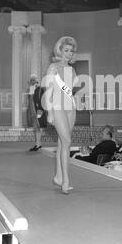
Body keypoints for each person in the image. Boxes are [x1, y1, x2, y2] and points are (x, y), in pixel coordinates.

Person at [42, 36, 78, 194]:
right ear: (60, 50)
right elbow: (48, 91)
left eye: (71, 51)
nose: (69, 53)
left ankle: (58, 176)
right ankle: (65, 181)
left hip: (71, 107)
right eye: (66, 50)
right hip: (57, 107)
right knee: (67, 141)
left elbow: (71, 90)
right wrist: (49, 112)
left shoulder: (72, 69)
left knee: (62, 143)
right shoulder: (53, 67)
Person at [27, 74, 47, 151]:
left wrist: (39, 112)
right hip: (33, 112)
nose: (32, 82)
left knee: (38, 129)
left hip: (38, 111)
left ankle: (38, 144)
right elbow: (31, 101)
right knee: (36, 129)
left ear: (36, 81)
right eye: (31, 80)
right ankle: (38, 144)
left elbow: (41, 101)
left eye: (33, 80)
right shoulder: (32, 89)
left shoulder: (39, 89)